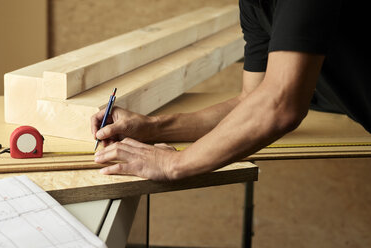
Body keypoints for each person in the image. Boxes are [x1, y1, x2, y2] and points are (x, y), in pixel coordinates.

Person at [91, 0, 369, 181]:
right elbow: (253, 98)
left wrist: (173, 164)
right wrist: (152, 127)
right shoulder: (254, 4)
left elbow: (280, 106)